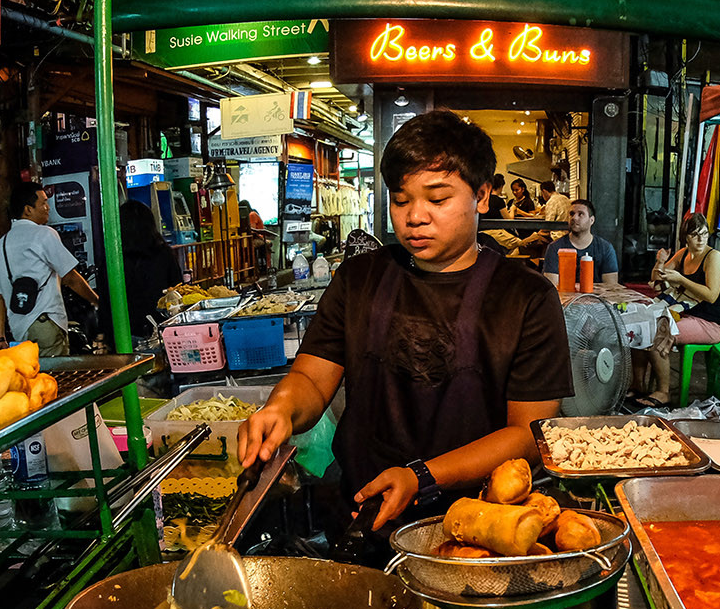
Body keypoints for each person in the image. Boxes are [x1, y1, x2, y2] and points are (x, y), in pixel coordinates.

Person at [236, 109, 571, 531]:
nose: (415, 216)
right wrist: (281, 411)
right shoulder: (361, 278)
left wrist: (421, 477)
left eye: (437, 198)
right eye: (400, 199)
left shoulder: (526, 297)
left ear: (482, 196)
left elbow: (528, 433)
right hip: (362, 509)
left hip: (478, 522)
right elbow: (312, 378)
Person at [0, 180, 100, 359]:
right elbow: (70, 277)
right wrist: (96, 300)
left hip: (19, 330)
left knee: (33, 377)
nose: (48, 207)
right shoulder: (44, 234)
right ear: (28, 210)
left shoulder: (1, 246)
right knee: (55, 381)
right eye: (43, 202)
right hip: (46, 324)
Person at [645, 213, 720, 405]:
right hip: (687, 315)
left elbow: (711, 295)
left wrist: (681, 279)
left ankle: (663, 392)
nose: (700, 239)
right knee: (642, 326)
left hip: (710, 323)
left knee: (659, 331)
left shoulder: (713, 257)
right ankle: (639, 386)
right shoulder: (683, 254)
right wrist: (660, 261)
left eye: (704, 234)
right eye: (694, 235)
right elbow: (657, 278)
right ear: (686, 237)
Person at [120, 200, 180, 337]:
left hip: (124, 333)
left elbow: (106, 300)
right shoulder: (164, 253)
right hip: (162, 329)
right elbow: (177, 288)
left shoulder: (113, 260)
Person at [540, 199, 619, 284]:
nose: (574, 217)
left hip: (597, 297)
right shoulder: (555, 248)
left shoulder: (605, 248)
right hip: (564, 297)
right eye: (571, 214)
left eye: (580, 214)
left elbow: (611, 286)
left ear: (591, 220)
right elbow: (552, 287)